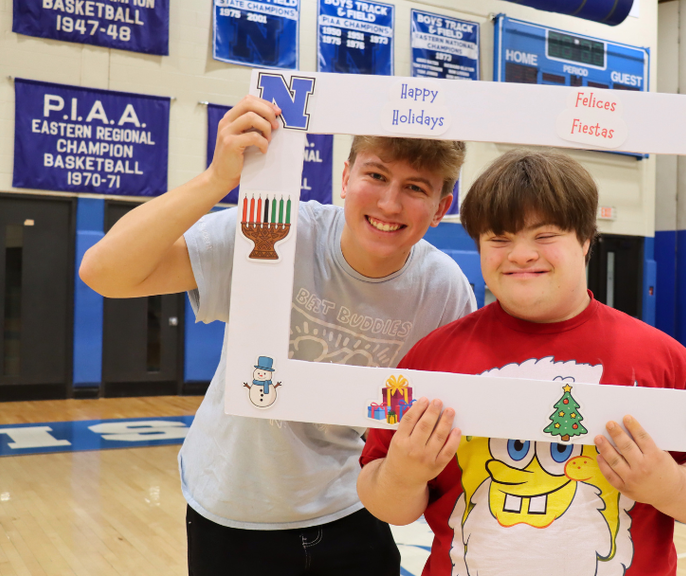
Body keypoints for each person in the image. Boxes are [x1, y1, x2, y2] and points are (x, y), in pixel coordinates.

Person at [79, 96, 477, 576]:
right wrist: (216, 179)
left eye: (415, 187)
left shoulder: (444, 288)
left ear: (441, 208)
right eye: (376, 175)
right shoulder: (275, 230)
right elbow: (104, 273)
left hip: (352, 507)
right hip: (232, 508)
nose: (390, 203)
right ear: (345, 177)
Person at [357, 149, 686, 576]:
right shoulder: (430, 358)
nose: (521, 254)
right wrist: (402, 475)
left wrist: (670, 485)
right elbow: (384, 498)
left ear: (585, 240)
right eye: (499, 238)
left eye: (544, 236)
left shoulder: (662, 359)